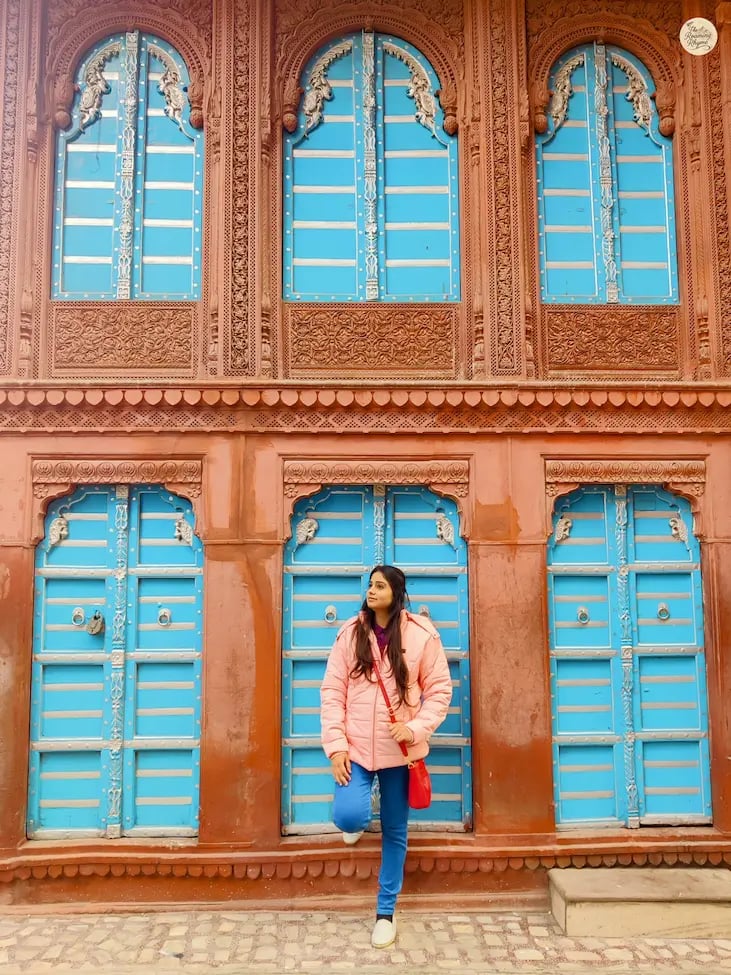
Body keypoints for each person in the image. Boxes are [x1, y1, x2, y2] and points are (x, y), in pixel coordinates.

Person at [320, 565, 452, 949]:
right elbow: (332, 690)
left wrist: (414, 728)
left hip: (400, 753)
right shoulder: (351, 632)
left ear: (397, 592)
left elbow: (440, 691)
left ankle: (385, 911)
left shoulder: (421, 635)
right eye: (370, 585)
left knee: (395, 831)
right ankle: (358, 817)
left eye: (380, 585)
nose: (371, 591)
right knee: (348, 815)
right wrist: (337, 747)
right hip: (357, 748)